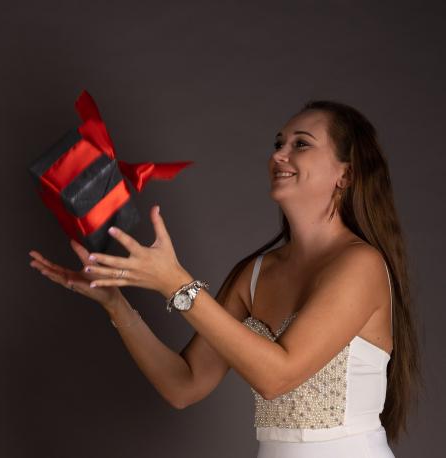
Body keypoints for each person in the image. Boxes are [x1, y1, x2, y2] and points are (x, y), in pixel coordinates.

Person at [29, 100, 422, 457]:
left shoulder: (361, 265)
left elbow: (277, 377)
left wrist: (176, 284)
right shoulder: (254, 274)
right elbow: (183, 385)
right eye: (279, 143)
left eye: (301, 144)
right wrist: (116, 304)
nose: (279, 154)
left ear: (345, 175)